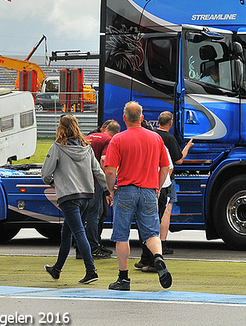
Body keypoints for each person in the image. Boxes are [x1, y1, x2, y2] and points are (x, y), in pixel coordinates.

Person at [104, 101, 172, 291]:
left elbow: (110, 170)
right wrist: (157, 187)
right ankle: (158, 257)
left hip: (125, 190)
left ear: (124, 118)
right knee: (151, 233)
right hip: (149, 190)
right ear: (142, 118)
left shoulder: (118, 139)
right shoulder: (156, 138)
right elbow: (165, 166)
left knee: (121, 235)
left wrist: (111, 189)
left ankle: (123, 278)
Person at [42, 115, 109, 284]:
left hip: (69, 196)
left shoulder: (58, 147)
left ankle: (91, 270)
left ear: (61, 128)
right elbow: (98, 171)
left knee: (78, 232)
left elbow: (45, 173)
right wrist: (107, 189)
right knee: (67, 233)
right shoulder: (87, 148)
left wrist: (52, 182)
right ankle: (57, 269)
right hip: (86, 195)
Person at [135, 111, 193, 271]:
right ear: (171, 122)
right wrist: (159, 187)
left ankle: (146, 258)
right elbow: (174, 163)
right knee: (160, 217)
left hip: (144, 185)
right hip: (159, 186)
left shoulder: (149, 141)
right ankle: (157, 253)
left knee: (143, 222)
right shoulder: (163, 141)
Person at [83, 119, 121, 258]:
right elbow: (104, 160)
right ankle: (93, 247)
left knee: (83, 214)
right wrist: (106, 182)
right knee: (95, 214)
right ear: (116, 133)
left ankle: (83, 245)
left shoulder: (88, 137)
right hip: (95, 180)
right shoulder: (109, 140)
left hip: (82, 180)